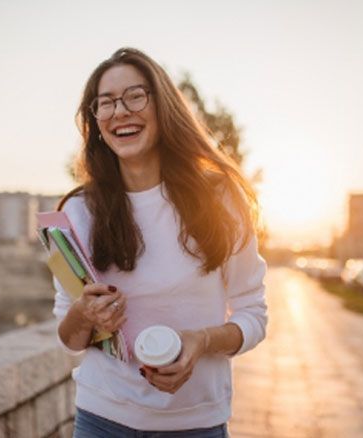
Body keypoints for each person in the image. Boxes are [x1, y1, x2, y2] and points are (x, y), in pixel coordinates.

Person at [52, 47, 268, 437]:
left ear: (163, 106)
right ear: (96, 120)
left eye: (135, 96)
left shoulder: (220, 198)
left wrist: (201, 341)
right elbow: (69, 339)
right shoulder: (77, 212)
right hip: (102, 418)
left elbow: (253, 314)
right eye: (105, 103)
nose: (119, 111)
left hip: (197, 424)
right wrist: (84, 314)